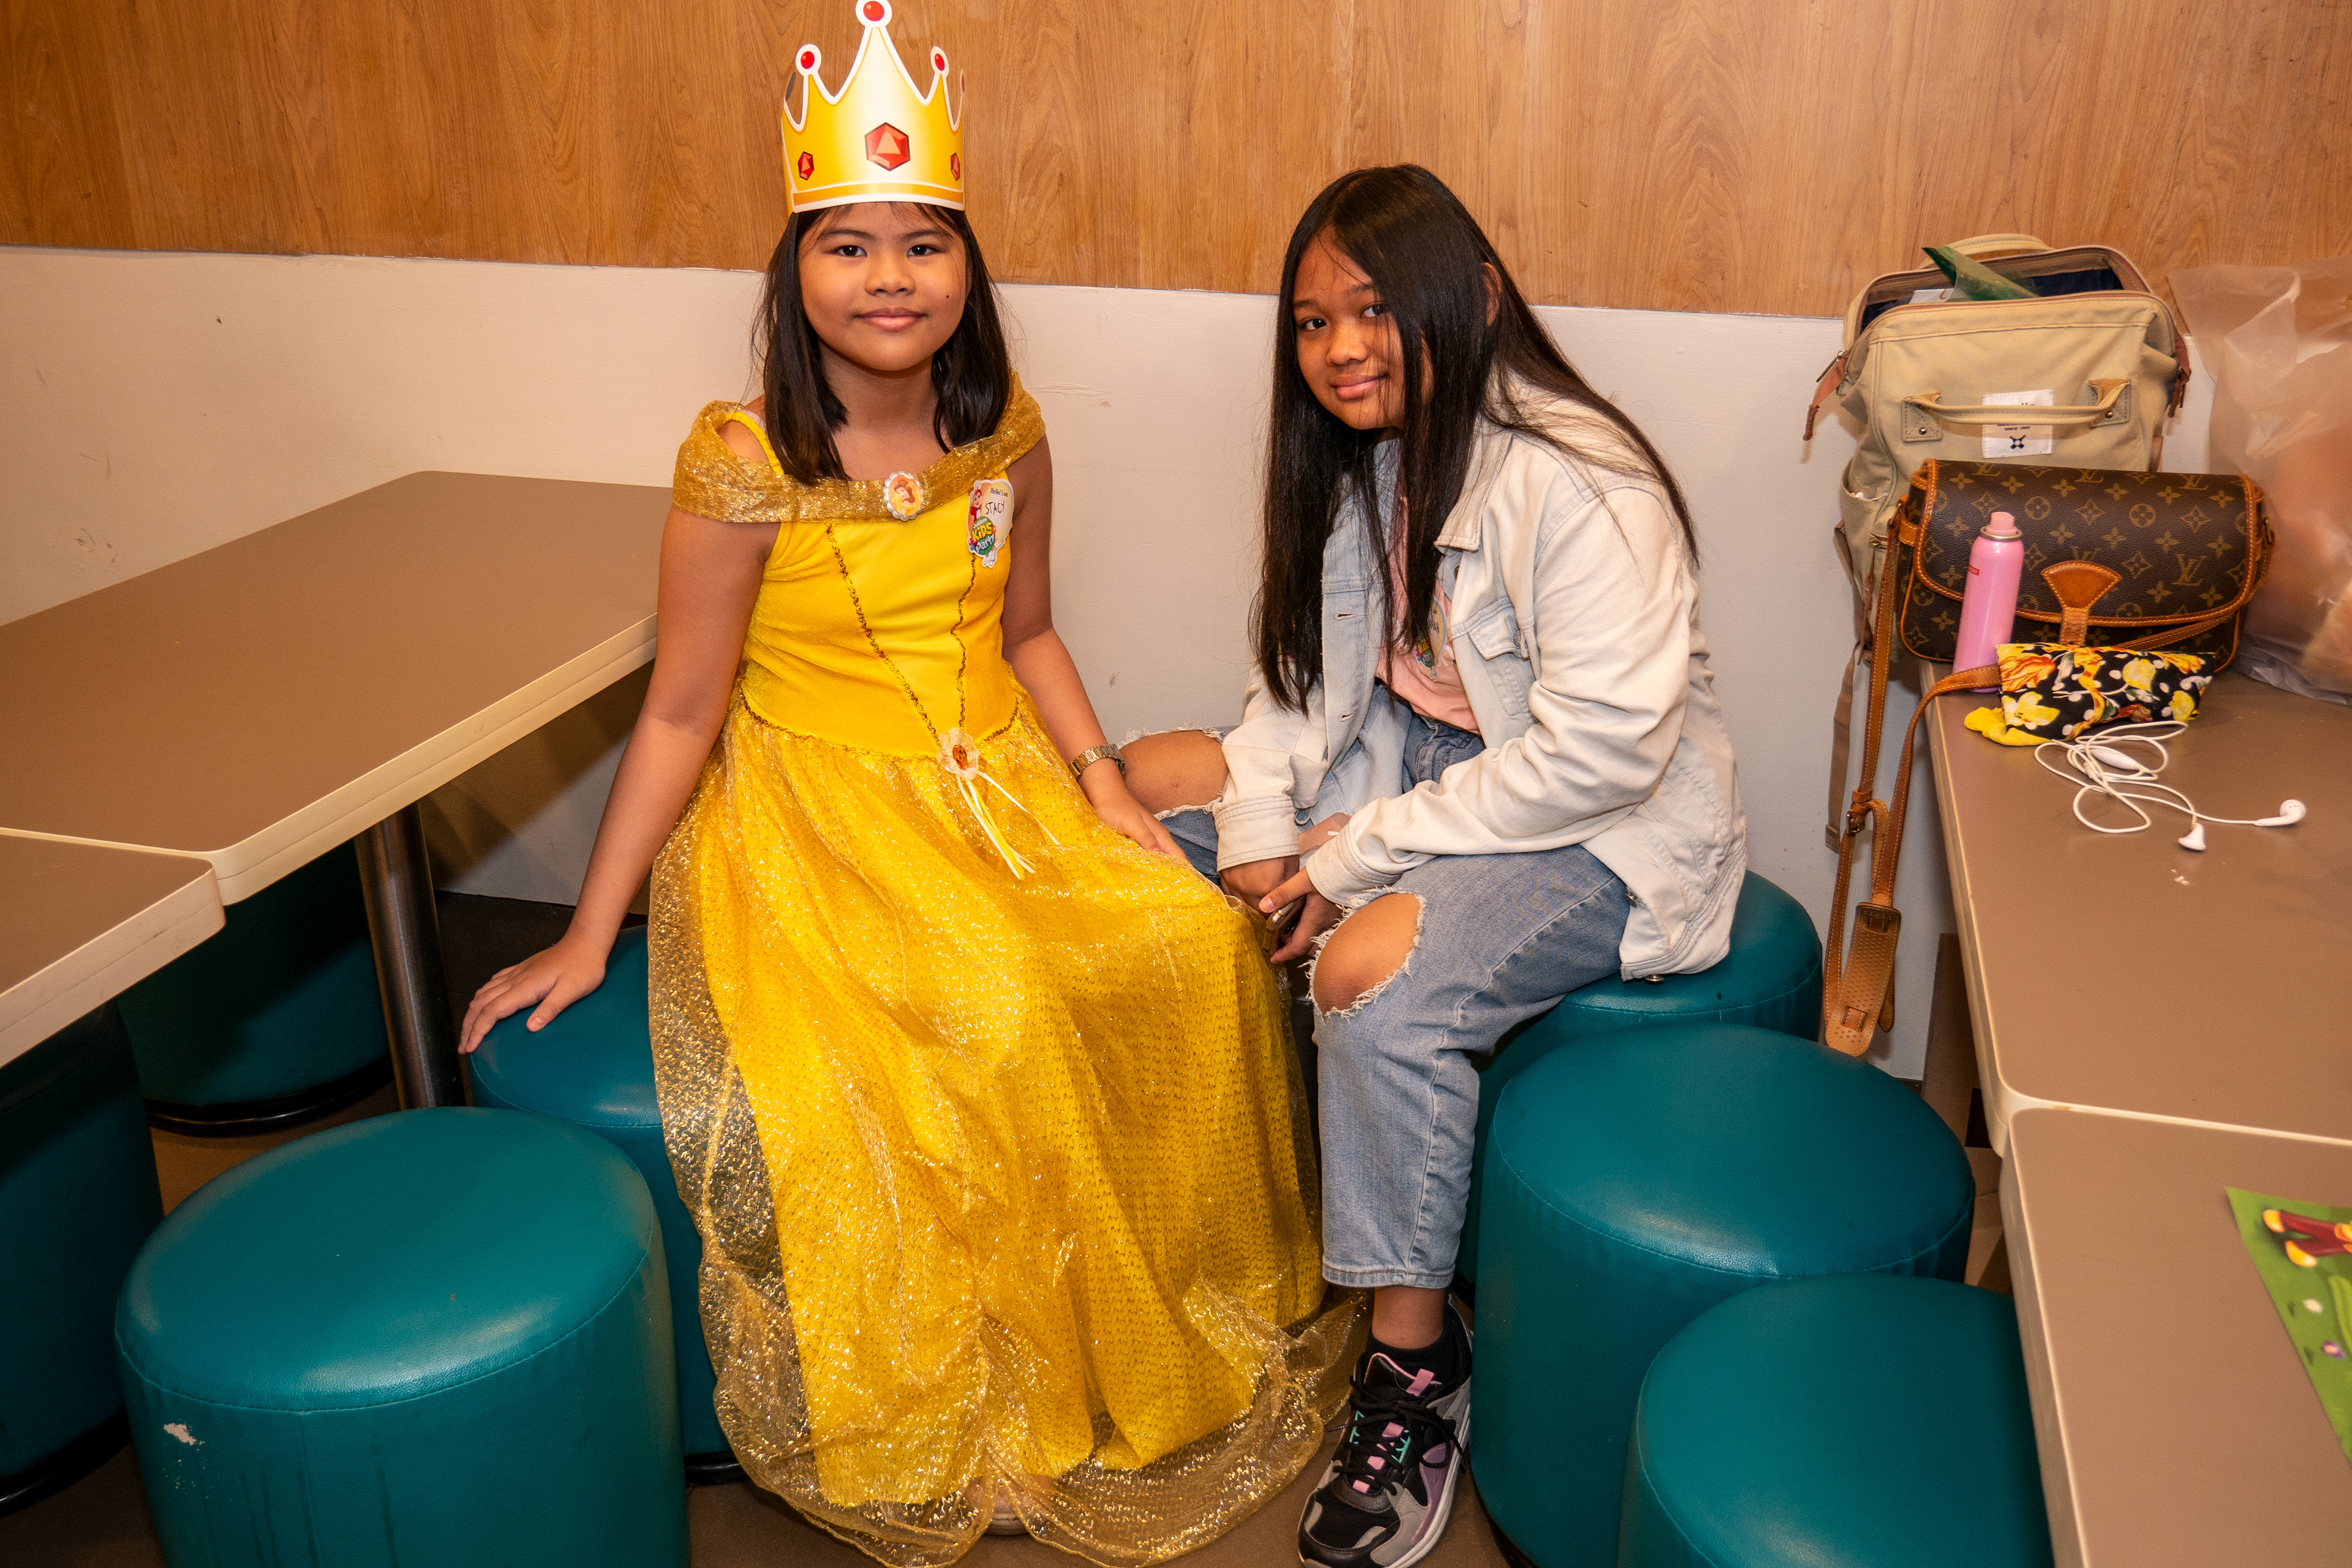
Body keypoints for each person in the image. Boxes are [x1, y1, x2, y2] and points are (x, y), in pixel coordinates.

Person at [458, 7, 1348, 1562]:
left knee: (1187, 940)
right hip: (821, 815)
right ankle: (985, 1404)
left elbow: (1031, 631)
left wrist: (1103, 782)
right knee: (995, 1007)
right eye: (850, 244)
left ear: (966, 270)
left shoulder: (1004, 434)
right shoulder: (742, 461)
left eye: (923, 244)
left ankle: (1166, 1325)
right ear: (795, 269)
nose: (889, 277)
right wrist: (594, 930)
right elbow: (680, 707)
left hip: (999, 780)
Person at [1130, 165, 1747, 1568]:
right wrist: (1262, 839)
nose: (1340, 348)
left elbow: (1599, 756)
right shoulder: (1360, 460)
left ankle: (1413, 1364)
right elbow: (1294, 689)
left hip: (1591, 816)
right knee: (1141, 796)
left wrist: (1359, 850)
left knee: (1370, 975)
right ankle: (1246, 1234)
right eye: (1311, 322)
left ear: (1471, 298)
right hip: (1413, 770)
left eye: (1371, 310)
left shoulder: (1579, 477)